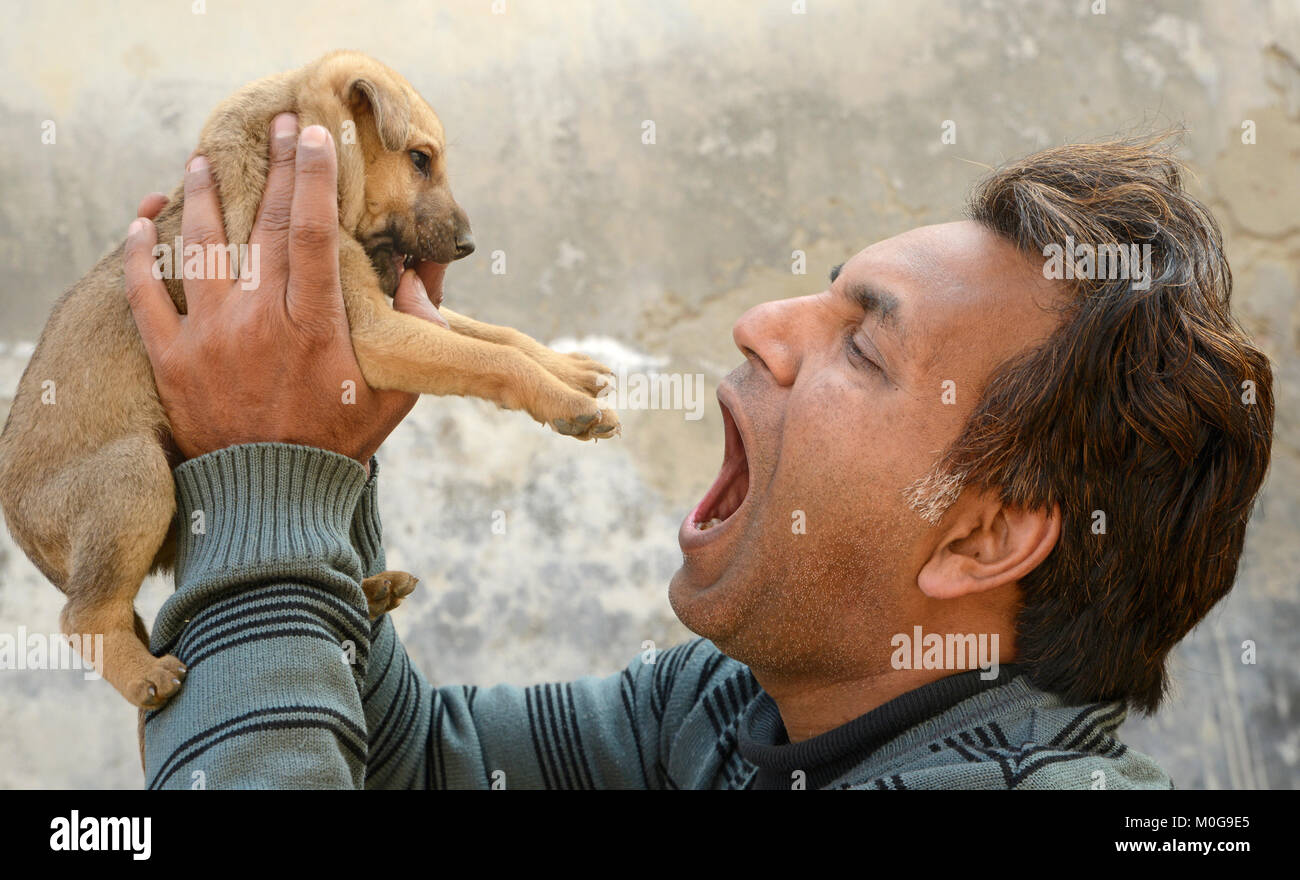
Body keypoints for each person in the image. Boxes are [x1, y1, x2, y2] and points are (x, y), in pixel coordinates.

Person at [123, 114, 1273, 789]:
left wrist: (257, 477)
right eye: (824, 296)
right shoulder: (738, 707)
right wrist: (311, 451)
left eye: (862, 349)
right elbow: (418, 763)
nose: (761, 326)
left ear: (980, 535)